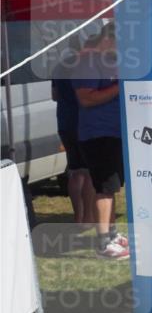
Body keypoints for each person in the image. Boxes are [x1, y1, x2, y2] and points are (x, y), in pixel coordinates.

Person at [73, 24, 128, 259]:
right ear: (107, 39)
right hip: (97, 133)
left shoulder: (110, 62)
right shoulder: (87, 62)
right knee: (104, 187)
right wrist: (119, 87)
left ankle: (112, 234)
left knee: (111, 186)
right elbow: (85, 98)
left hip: (113, 132)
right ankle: (103, 242)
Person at [51, 40, 95, 227]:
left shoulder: (59, 67)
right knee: (88, 173)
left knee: (75, 171)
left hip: (65, 122)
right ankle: (88, 218)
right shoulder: (87, 66)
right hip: (84, 123)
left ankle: (78, 216)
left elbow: (54, 96)